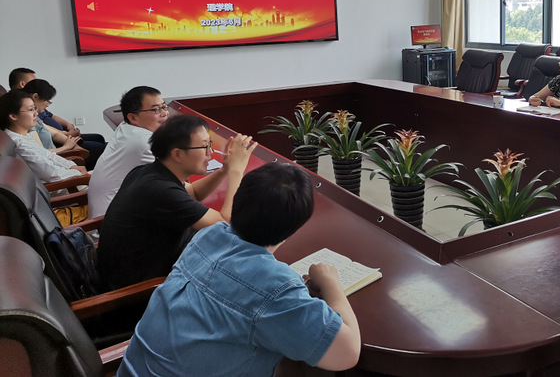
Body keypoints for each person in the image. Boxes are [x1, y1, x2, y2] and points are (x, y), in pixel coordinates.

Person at [118, 163, 361, 376]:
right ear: (294, 228)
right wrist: (330, 283)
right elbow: (347, 353)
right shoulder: (276, 289)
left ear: (237, 202)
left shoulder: (208, 236)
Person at [97, 114, 256, 289]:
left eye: (209, 144)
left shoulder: (147, 171)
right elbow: (225, 227)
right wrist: (236, 171)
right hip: (138, 291)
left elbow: (193, 192)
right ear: (178, 154)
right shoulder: (161, 191)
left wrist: (225, 169)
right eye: (204, 146)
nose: (210, 152)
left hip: (126, 269)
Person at [87, 86, 168, 218]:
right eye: (156, 110)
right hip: (112, 221)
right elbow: (173, 180)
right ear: (133, 117)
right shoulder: (145, 141)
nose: (164, 113)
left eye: (164, 107)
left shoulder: (125, 126)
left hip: (109, 209)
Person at [8, 67, 106, 167]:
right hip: (57, 155)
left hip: (60, 150)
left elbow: (53, 132)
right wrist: (67, 148)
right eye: (31, 109)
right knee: (101, 149)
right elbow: (42, 154)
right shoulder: (26, 122)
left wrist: (72, 142)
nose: (35, 113)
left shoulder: (32, 115)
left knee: (99, 142)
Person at [0, 89, 87, 183]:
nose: (36, 113)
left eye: (35, 108)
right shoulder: (20, 144)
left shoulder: (24, 135)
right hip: (58, 186)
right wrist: (78, 173)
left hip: (65, 178)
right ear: (13, 116)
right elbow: (52, 174)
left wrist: (71, 166)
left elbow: (48, 155)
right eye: (30, 110)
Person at [20, 79, 80, 155]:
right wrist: (66, 147)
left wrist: (75, 145)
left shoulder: (35, 116)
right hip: (55, 155)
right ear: (35, 96)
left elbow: (55, 133)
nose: (48, 105)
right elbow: (41, 153)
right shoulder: (28, 121)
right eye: (47, 100)